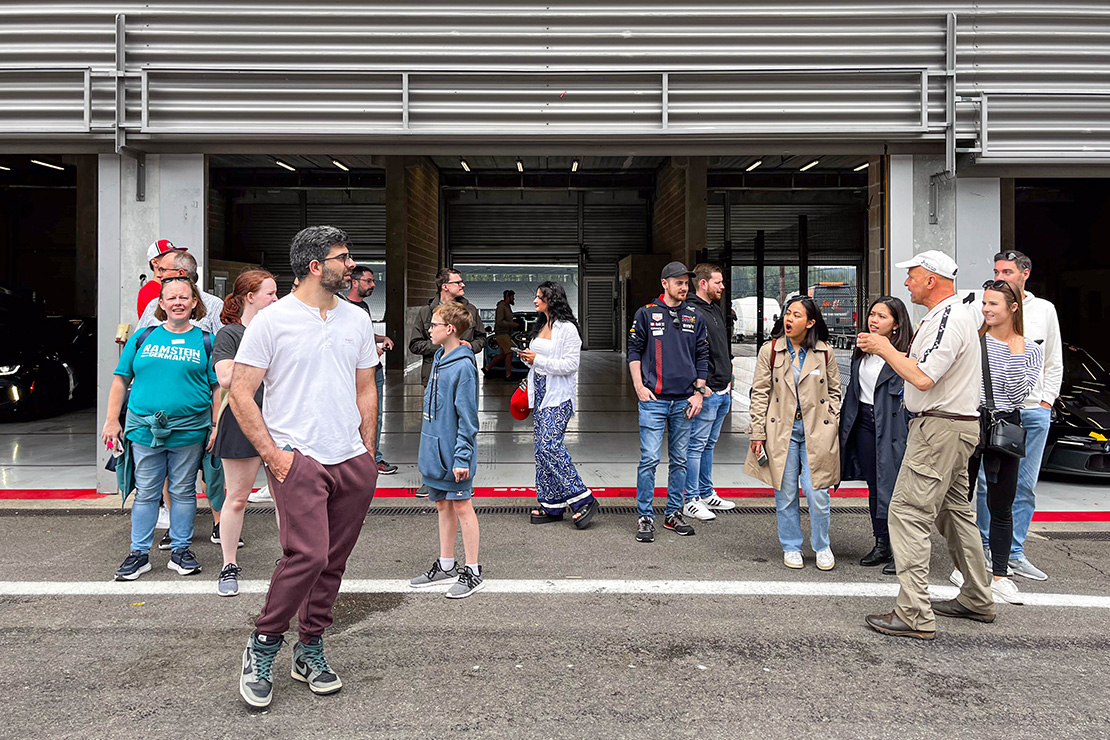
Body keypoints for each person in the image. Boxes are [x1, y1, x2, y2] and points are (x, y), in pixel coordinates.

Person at [231, 225, 380, 708]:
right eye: (345, 257)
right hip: (299, 458)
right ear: (317, 266)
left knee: (333, 561)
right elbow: (240, 393)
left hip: (350, 460)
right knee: (308, 555)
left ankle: (310, 646)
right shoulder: (272, 321)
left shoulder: (356, 319)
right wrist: (275, 457)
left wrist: (368, 453)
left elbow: (365, 389)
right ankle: (264, 643)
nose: (351, 265)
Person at [859, 250, 994, 640]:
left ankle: (915, 613)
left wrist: (885, 349)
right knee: (956, 514)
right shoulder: (949, 316)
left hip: (939, 428)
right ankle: (976, 597)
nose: (907, 283)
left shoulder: (948, 319)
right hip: (954, 427)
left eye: (912, 276)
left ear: (932, 280)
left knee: (907, 512)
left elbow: (922, 379)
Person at [102, 276, 219, 581]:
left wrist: (218, 424)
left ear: (195, 303)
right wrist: (111, 419)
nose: (178, 303)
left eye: (185, 297)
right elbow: (120, 379)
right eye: (172, 298)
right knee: (146, 493)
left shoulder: (206, 340)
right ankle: (139, 553)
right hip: (143, 430)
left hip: (189, 430)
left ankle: (180, 550)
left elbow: (218, 387)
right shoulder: (142, 337)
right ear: (161, 304)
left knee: (182, 492)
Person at [951, 280, 1043, 605]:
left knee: (1001, 506)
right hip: (970, 423)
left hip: (1006, 428)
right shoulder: (974, 341)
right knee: (961, 502)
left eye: (994, 304)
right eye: (985, 303)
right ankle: (964, 568)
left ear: (1013, 308)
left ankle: (1000, 575)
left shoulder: (1030, 349)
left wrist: (1016, 350)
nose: (986, 309)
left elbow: (1017, 395)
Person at [974, 251, 1061, 582]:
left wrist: (1047, 402)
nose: (1001, 275)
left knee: (1021, 487)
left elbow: (1052, 361)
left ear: (1025, 273)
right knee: (983, 486)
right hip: (984, 415)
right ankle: (981, 550)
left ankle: (1014, 554)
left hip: (1027, 412)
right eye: (996, 270)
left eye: (1007, 271)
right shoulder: (984, 318)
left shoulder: (1044, 312)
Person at [744, 296, 842, 571]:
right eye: (788, 314)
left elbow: (835, 391)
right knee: (785, 494)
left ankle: (822, 545)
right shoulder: (771, 350)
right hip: (781, 431)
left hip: (816, 432)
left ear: (811, 322)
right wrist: (757, 432)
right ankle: (791, 545)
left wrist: (831, 419)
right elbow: (760, 393)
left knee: (817, 493)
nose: (789, 319)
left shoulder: (824, 352)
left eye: (797, 315)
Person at [627, 261, 709, 543]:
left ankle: (673, 513)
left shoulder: (695, 315)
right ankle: (645, 516)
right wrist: (639, 386)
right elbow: (634, 351)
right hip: (653, 400)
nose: (684, 287)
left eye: (687, 283)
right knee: (649, 459)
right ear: (665, 284)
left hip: (685, 402)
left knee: (680, 460)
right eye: (679, 282)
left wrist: (699, 391)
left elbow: (702, 355)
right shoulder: (646, 314)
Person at [408, 301, 484, 598]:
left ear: (449, 329)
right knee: (442, 505)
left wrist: (462, 456)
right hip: (434, 453)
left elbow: (468, 417)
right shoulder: (440, 356)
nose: (429, 328)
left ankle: (474, 570)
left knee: (462, 506)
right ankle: (447, 564)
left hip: (454, 455)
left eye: (435, 324)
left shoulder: (463, 366)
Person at [211, 269, 279, 597]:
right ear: (250, 297)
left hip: (281, 422)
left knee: (287, 498)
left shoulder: (279, 331)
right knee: (236, 499)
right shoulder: (231, 335)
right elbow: (225, 378)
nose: (276, 299)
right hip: (240, 422)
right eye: (270, 293)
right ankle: (228, 565)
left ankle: (293, 562)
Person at [839, 296, 913, 572]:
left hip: (894, 427)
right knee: (875, 486)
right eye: (872, 314)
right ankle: (881, 543)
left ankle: (901, 550)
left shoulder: (904, 353)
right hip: (865, 424)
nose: (874, 320)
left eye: (882, 316)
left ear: (896, 324)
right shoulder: (864, 348)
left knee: (896, 489)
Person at [518, 281, 598, 528]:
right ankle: (551, 504)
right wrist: (528, 359)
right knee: (541, 451)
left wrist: (538, 359)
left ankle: (583, 498)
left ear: (552, 299)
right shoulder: (541, 325)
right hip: (539, 395)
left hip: (558, 398)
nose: (535, 300)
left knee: (550, 446)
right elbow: (539, 363)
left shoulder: (567, 329)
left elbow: (570, 365)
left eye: (539, 297)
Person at [408, 268, 487, 497]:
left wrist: (467, 347)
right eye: (458, 282)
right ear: (445, 286)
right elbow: (414, 344)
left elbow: (481, 338)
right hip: (433, 376)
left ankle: (459, 472)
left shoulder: (470, 310)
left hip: (460, 375)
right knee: (435, 428)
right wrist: (445, 346)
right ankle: (432, 476)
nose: (462, 286)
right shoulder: (426, 312)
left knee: (461, 421)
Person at [682, 263, 738, 522]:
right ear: (703, 283)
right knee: (695, 446)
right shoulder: (691, 311)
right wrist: (699, 388)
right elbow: (689, 354)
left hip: (722, 390)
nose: (723, 286)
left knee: (708, 445)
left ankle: (705, 492)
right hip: (707, 391)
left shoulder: (714, 309)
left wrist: (728, 379)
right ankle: (690, 499)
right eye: (718, 282)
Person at [341, 265, 398, 475]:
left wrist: (381, 339)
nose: (373, 285)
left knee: (376, 416)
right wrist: (366, 348)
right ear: (354, 282)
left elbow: (364, 334)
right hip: (354, 372)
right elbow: (343, 338)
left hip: (375, 369)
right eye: (368, 281)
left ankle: (374, 458)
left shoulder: (363, 306)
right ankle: (355, 459)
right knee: (352, 414)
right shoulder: (341, 307)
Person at [137, 250, 223, 334]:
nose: (159, 275)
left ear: (181, 273)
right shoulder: (154, 305)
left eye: (163, 270)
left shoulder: (214, 305)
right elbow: (137, 342)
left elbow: (225, 344)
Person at [136, 239, 182, 317]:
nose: (175, 259)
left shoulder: (177, 286)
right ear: (155, 262)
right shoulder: (148, 291)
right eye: (168, 256)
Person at [484, 290, 518, 378]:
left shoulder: (507, 306)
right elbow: (499, 322)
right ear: (508, 297)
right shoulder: (501, 307)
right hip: (502, 333)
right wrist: (512, 324)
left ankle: (487, 368)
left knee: (503, 354)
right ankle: (508, 375)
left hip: (507, 333)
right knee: (510, 352)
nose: (513, 298)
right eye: (512, 297)